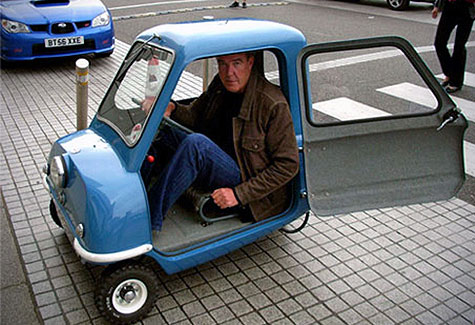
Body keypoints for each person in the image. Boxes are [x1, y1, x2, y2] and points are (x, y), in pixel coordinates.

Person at [147, 52, 299, 232]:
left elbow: (288, 165)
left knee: (196, 144)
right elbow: (194, 116)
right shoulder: (220, 84)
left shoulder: (272, 103)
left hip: (245, 178)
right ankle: (139, 193)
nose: (229, 73)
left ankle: (148, 220)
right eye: (222, 64)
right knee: (165, 130)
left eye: (236, 63)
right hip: (217, 159)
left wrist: (239, 194)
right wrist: (172, 107)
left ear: (250, 63)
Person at [432, 0, 474, 93]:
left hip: (467, 8)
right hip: (449, 6)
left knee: (459, 47)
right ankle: (450, 73)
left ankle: (455, 82)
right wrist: (437, 6)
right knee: (439, 43)